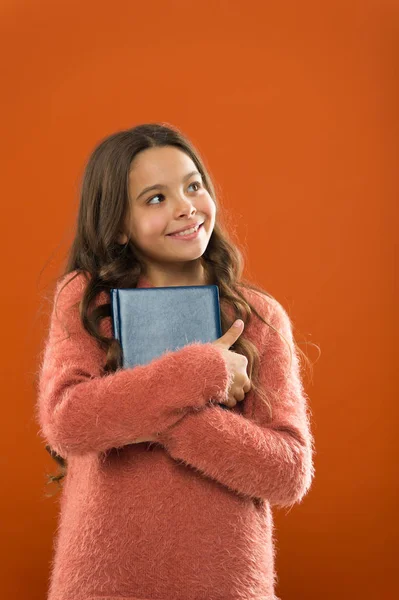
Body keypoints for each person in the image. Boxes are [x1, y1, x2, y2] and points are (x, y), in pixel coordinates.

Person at [35, 122, 316, 600]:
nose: (186, 206)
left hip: (224, 585)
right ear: (119, 224)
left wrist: (149, 416)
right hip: (104, 584)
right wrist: (203, 372)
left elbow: (287, 474)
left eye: (193, 186)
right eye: (156, 198)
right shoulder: (87, 299)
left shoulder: (258, 316)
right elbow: (68, 421)